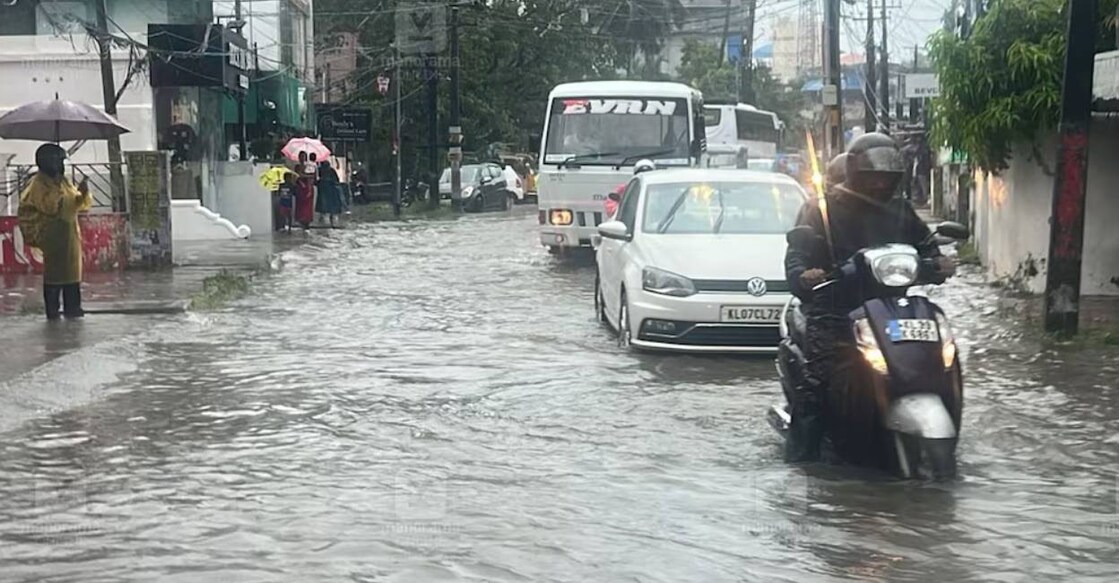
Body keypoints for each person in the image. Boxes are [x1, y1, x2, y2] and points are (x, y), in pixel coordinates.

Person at [783, 133, 957, 462]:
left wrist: (939, 262)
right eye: (872, 177)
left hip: (895, 312)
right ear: (855, 173)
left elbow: (926, 246)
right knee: (817, 383)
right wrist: (806, 274)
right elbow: (797, 257)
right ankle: (800, 462)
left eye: (886, 178)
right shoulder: (822, 208)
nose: (879, 185)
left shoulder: (900, 210)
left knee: (942, 362)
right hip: (835, 310)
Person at [17, 143, 92, 320]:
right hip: (52, 235)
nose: (62, 165)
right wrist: (57, 188)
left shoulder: (63, 180)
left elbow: (75, 203)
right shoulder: (38, 185)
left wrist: (83, 193)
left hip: (70, 234)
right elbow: (50, 207)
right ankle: (53, 313)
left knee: (72, 274)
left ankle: (73, 309)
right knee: (56, 276)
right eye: (59, 161)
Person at [316, 160, 344, 229]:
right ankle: (323, 218)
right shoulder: (319, 170)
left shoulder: (331, 171)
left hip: (330, 190)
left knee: (330, 205)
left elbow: (336, 180)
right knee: (323, 205)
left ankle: (330, 219)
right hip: (323, 189)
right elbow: (316, 180)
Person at [294, 152, 317, 230]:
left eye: (304, 156)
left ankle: (307, 223)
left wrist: (307, 176)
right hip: (300, 188)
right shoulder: (297, 166)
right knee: (300, 206)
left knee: (307, 207)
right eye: (301, 156)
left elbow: (313, 177)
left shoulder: (309, 166)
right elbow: (297, 176)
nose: (302, 158)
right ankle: (302, 223)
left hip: (308, 188)